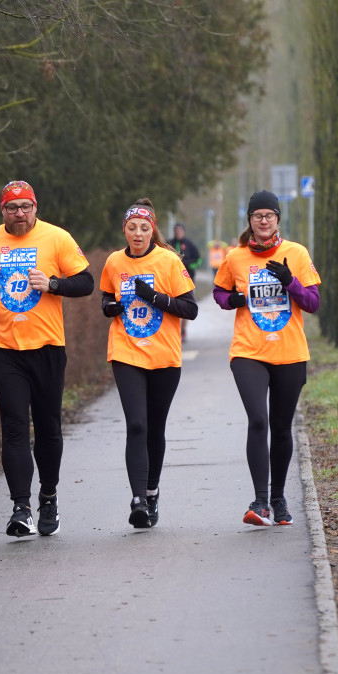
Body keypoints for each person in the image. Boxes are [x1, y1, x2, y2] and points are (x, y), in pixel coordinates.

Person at [0, 180, 94, 538]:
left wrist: (53, 284)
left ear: (35, 207)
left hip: (48, 348)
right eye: (12, 207)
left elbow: (85, 282)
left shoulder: (57, 238)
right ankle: (21, 508)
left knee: (49, 428)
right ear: (2, 210)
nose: (19, 213)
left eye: (26, 206)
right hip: (5, 349)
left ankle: (48, 497)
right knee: (15, 427)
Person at [212, 190, 321, 527]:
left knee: (281, 427)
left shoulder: (296, 253)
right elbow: (219, 293)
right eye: (257, 215)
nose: (263, 221)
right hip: (249, 351)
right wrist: (236, 300)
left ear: (277, 220)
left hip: (290, 352)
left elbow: (313, 303)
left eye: (269, 215)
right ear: (249, 220)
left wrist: (291, 283)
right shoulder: (235, 257)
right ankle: (259, 502)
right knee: (258, 419)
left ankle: (278, 497)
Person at [100, 199, 198, 528]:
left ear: (152, 230)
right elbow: (106, 297)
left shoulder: (169, 261)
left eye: (144, 228)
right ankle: (138, 498)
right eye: (132, 228)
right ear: (124, 231)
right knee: (137, 425)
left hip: (164, 355)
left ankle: (153, 492)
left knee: (155, 428)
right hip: (126, 351)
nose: (138, 234)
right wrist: (109, 308)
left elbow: (190, 309)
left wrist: (154, 297)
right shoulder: (114, 262)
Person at [169, 223, 201, 340]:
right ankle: (174, 330)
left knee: (186, 306)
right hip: (171, 281)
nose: (178, 232)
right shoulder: (168, 244)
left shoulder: (190, 245)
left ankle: (183, 330)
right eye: (176, 230)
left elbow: (199, 260)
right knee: (173, 306)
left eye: (180, 230)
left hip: (188, 280)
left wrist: (190, 265)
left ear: (184, 231)